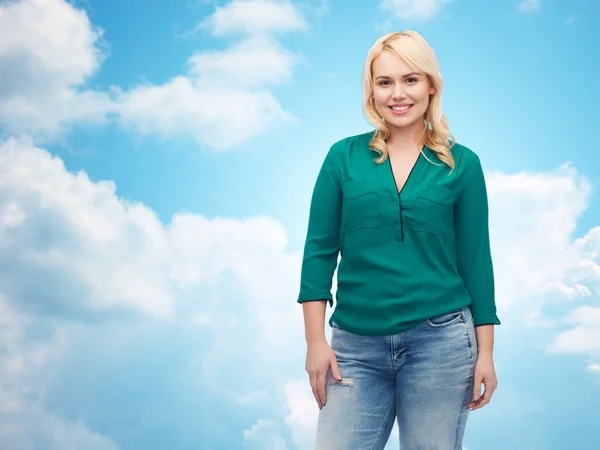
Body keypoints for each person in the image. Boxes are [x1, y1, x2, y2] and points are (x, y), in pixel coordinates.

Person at [296, 30, 501, 450]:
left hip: (441, 342)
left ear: (431, 85)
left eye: (410, 79)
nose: (397, 94)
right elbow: (318, 252)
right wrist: (315, 342)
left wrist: (486, 353)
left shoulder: (462, 165)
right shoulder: (343, 157)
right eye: (384, 82)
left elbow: (476, 261)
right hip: (354, 345)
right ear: (371, 91)